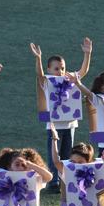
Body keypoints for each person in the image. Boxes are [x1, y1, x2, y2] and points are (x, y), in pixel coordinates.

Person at [31, 38, 92, 192]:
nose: (61, 72)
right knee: (54, 154)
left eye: (63, 68)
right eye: (56, 69)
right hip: (53, 126)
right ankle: (53, 182)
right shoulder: (47, 82)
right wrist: (38, 58)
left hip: (70, 124)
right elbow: (39, 75)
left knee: (67, 154)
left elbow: (83, 72)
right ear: (49, 69)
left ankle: (64, 180)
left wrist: (87, 54)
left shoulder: (69, 79)